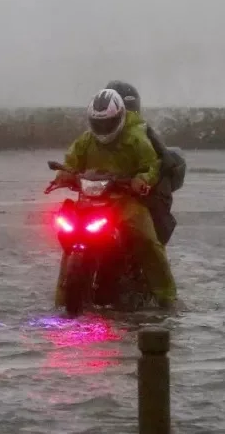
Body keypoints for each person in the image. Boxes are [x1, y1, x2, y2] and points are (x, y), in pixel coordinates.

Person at [51, 88, 177, 308]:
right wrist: (64, 174)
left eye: (107, 123)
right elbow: (71, 160)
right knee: (69, 239)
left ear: (119, 117)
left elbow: (151, 166)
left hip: (125, 200)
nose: (102, 128)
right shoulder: (86, 140)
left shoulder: (136, 139)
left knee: (147, 240)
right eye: (97, 123)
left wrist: (142, 179)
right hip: (91, 199)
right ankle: (61, 300)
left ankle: (167, 296)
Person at [105, 80, 184, 243]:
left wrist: (145, 180)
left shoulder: (144, 135)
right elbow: (78, 155)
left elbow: (161, 163)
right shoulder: (96, 135)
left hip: (137, 200)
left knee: (151, 244)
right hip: (104, 198)